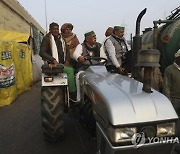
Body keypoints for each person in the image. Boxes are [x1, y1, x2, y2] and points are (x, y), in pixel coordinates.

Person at [39, 22, 76, 96]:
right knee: (70, 71)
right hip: (54, 64)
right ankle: (73, 94)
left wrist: (67, 60)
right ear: (50, 30)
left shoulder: (61, 38)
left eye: (57, 29)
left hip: (63, 63)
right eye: (54, 29)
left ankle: (70, 88)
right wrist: (53, 60)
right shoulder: (47, 39)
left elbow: (67, 51)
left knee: (75, 69)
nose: (56, 31)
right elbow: (42, 52)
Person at [73, 30, 104, 101]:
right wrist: (79, 57)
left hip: (98, 68)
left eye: (95, 36)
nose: (95, 37)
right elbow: (75, 54)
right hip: (84, 68)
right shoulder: (81, 46)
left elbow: (103, 57)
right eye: (93, 36)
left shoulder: (99, 46)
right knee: (79, 76)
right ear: (87, 39)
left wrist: (101, 63)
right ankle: (79, 98)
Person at [163, 49, 180, 138]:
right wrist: (168, 102)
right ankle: (174, 138)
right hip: (174, 99)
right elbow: (166, 87)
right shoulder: (169, 70)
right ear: (178, 58)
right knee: (173, 121)